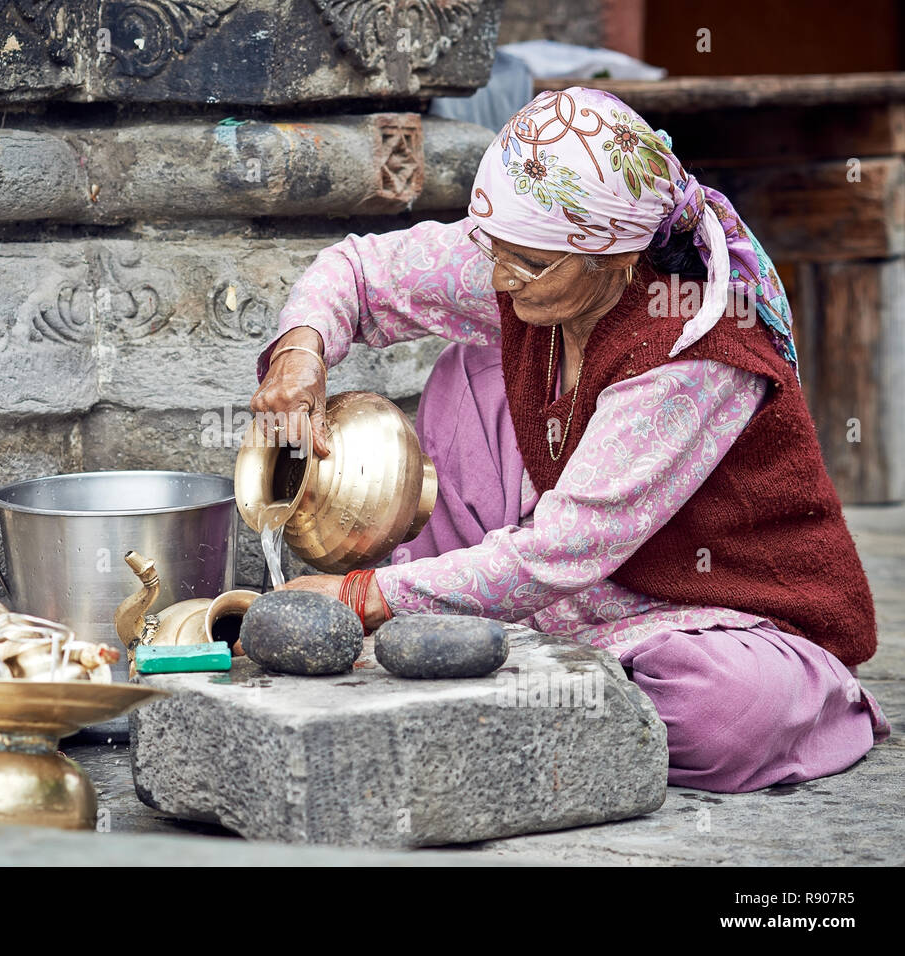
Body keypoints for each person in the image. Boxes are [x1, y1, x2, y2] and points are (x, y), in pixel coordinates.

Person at [250, 87, 889, 793]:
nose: (499, 276)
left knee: (721, 712)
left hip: (720, 616)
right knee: (472, 370)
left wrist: (362, 596)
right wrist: (300, 354)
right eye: (495, 249)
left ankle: (811, 705)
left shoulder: (695, 350)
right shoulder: (530, 253)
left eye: (526, 263)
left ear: (614, 258)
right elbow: (363, 271)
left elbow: (563, 551)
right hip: (567, 579)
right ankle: (487, 644)